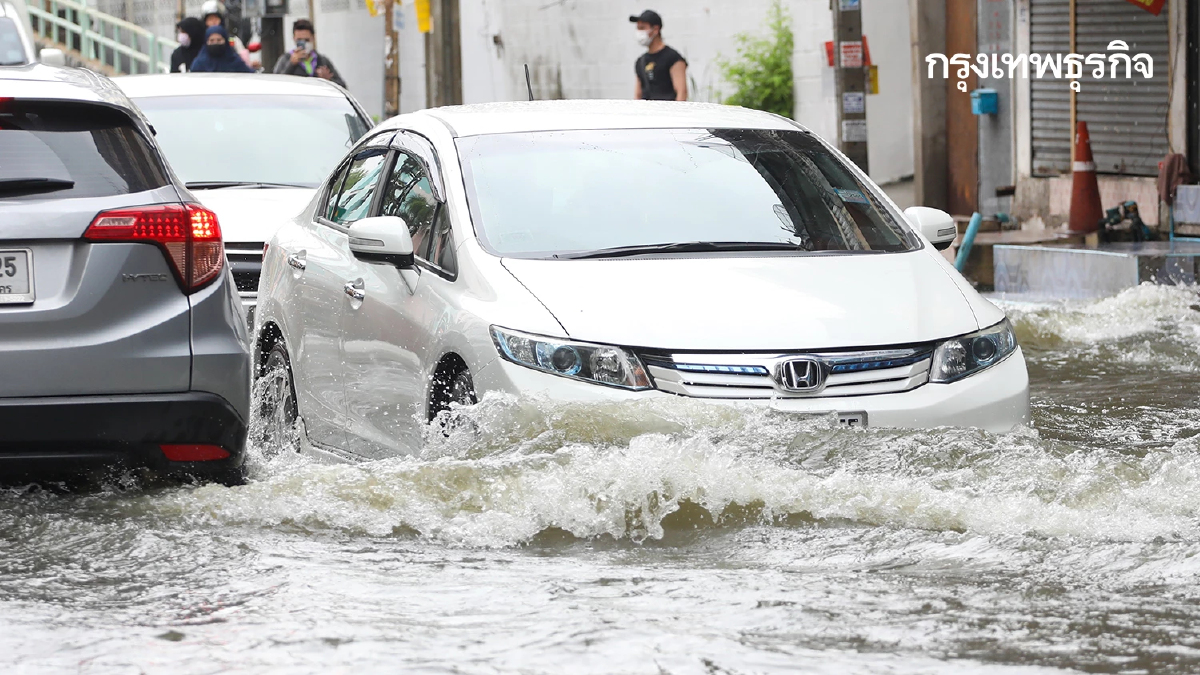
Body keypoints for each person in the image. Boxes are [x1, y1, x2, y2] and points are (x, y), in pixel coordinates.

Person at [630, 9, 687, 101]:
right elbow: (638, 94)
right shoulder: (640, 61)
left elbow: (681, 92)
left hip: (667, 112)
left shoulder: (673, 57)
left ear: (656, 29)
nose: (639, 32)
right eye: (638, 28)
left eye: (642, 28)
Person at [273, 18, 347, 88]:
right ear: (294, 39)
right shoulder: (285, 59)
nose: (304, 44)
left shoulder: (322, 60)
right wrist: (291, 64)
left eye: (307, 40)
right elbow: (276, 84)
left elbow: (342, 86)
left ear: (313, 38)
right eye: (299, 40)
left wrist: (328, 80)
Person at [200, 0, 253, 68]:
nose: (213, 22)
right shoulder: (199, 40)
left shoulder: (233, 40)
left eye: (216, 19)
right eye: (210, 19)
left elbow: (244, 63)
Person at [189, 25, 254, 73]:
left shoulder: (235, 62)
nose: (215, 43)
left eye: (219, 40)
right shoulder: (199, 64)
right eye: (211, 40)